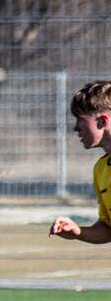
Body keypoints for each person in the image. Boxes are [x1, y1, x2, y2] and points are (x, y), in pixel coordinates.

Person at [50, 81, 111, 246]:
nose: (76, 128)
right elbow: (108, 229)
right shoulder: (101, 169)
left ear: (103, 121)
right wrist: (78, 232)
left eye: (81, 119)